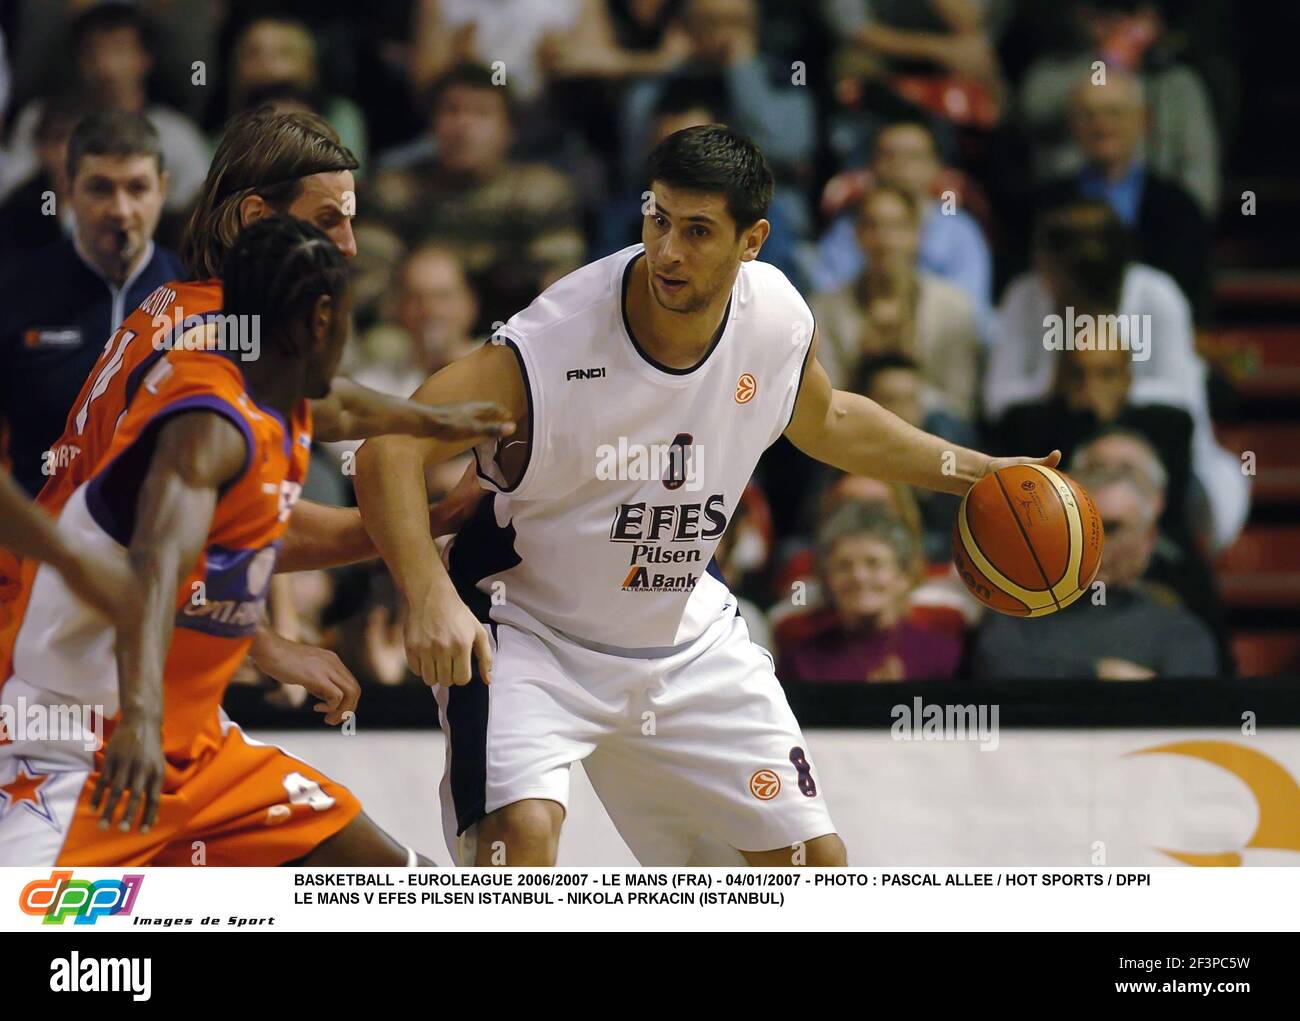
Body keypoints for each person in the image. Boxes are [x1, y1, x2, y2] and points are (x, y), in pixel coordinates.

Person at [355, 125, 1056, 867]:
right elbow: (388, 445)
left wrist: (977, 470)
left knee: (814, 869)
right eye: (658, 219)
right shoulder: (553, 340)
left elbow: (830, 419)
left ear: (751, 240)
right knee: (516, 850)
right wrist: (426, 591)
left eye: (697, 231)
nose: (667, 251)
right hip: (527, 629)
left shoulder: (777, 317)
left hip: (680, 634)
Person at [0, 107, 512, 721]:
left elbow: (260, 522)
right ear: (256, 219)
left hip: (96, 638)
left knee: (336, 819)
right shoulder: (212, 342)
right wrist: (266, 645)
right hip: (66, 655)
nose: (348, 248)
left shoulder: (198, 313)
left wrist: (430, 513)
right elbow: (150, 530)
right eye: (328, 222)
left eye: (350, 223)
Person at [0, 217, 459, 866]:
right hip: (80, 741)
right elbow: (157, 574)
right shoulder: (206, 420)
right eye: (333, 222)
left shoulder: (261, 388)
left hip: (193, 741)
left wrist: (459, 456)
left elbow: (349, 412)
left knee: (403, 885)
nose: (350, 241)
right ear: (320, 316)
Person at [985, 200, 1248, 550]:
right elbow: (996, 400)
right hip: (1056, 429)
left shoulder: (1157, 293)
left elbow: (1182, 397)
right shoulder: (1026, 293)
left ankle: (1159, 552)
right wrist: (1068, 387)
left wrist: (1114, 390)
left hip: (1153, 438)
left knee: (1145, 445)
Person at [0, 111, 183, 498]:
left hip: (155, 539)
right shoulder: (15, 293)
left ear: (162, 190)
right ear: (68, 187)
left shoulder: (197, 296)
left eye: (137, 188)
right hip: (37, 538)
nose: (120, 210)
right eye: (100, 188)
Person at [972, 464, 1219, 680]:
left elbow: (1186, 711)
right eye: (1078, 527)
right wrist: (1099, 674)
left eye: (1111, 528)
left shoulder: (1179, 632)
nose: (1093, 544)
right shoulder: (1016, 613)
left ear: (1148, 540)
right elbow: (995, 671)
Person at [1028, 71, 1209, 318]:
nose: (1101, 125)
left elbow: (1192, 300)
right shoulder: (1042, 205)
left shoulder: (1179, 209)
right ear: (1071, 125)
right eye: (1088, 115)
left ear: (1143, 120)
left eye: (1114, 112)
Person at [811, 185, 981, 418]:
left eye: (896, 227)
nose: (884, 240)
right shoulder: (824, 310)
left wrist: (906, 398)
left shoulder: (954, 308)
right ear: (857, 235)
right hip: (851, 426)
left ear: (917, 235)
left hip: (932, 428)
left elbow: (959, 402)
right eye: (873, 226)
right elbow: (823, 399)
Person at [810, 119, 992, 334]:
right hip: (861, 344)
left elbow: (971, 314)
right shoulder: (847, 228)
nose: (901, 166)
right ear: (872, 166)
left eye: (913, 157)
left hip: (935, 345)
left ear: (936, 167)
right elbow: (826, 303)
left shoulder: (961, 231)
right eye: (889, 155)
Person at [778, 501, 961, 684]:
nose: (859, 576)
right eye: (844, 566)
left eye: (873, 563)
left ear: (904, 575)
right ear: (827, 580)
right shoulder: (801, 663)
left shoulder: (944, 657)